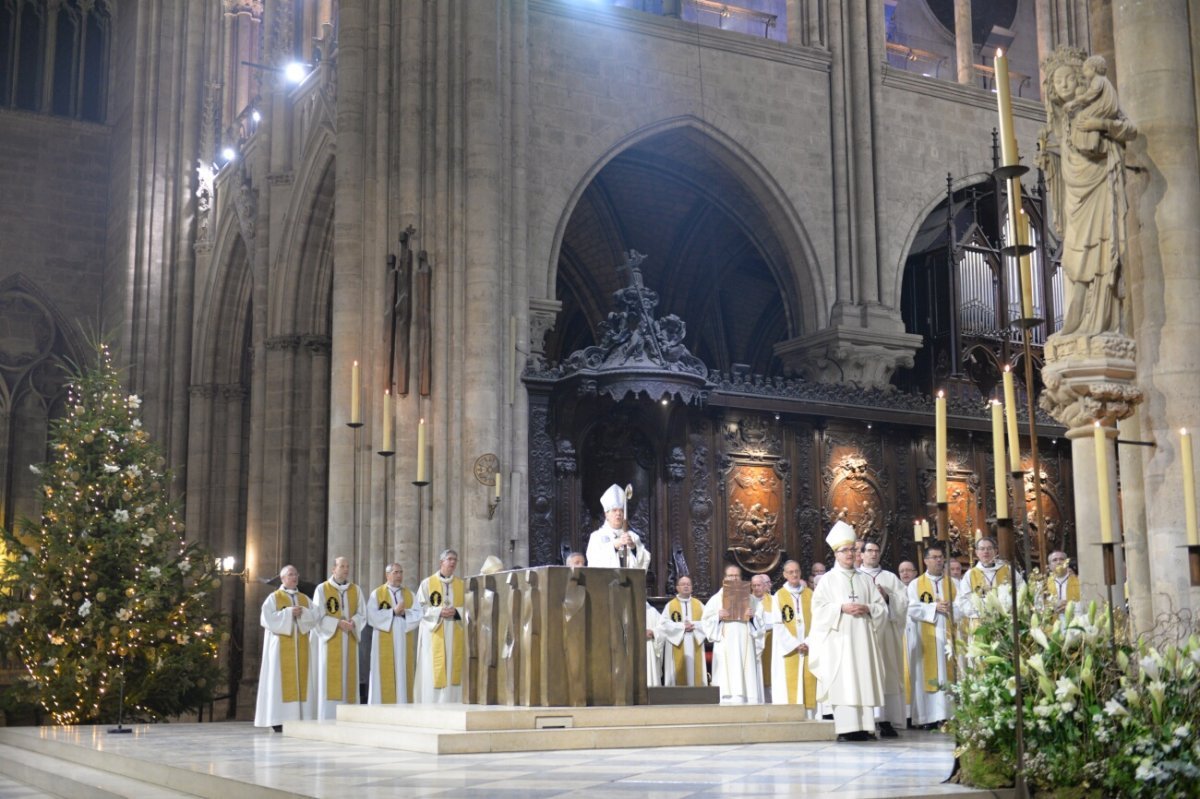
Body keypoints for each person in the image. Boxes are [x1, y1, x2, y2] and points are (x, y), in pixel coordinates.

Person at [1038, 49, 1137, 338]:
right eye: (1058, 82)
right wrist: (1049, 161)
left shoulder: (1098, 105)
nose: (1065, 85)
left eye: (1069, 78)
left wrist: (1099, 125)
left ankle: (1102, 322)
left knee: (1101, 253)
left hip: (1100, 187)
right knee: (1073, 256)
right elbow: (1066, 158)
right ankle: (1077, 320)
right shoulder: (1061, 123)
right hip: (1075, 197)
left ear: (1081, 79)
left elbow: (1129, 130)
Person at [808, 521, 886, 742]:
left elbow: (881, 608)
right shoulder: (827, 580)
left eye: (853, 549)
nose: (851, 554)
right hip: (839, 641)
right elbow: (818, 609)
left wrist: (868, 608)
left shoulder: (865, 579)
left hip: (863, 638)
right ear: (836, 553)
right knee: (845, 681)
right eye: (845, 550)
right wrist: (840, 608)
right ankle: (846, 729)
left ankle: (866, 726)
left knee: (862, 678)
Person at [255, 565, 317, 731]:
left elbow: (316, 616)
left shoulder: (304, 598)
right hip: (280, 649)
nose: (294, 577)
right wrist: (288, 613)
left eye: (296, 574)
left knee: (301, 680)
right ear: (282, 579)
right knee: (279, 681)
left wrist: (303, 612)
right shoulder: (274, 598)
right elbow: (266, 619)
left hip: (301, 646)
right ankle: (279, 720)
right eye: (290, 575)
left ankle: (302, 717)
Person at [859, 539, 907, 738]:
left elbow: (903, 603)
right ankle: (866, 720)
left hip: (886, 633)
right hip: (863, 632)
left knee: (887, 673)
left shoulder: (890, 577)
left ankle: (886, 720)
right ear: (861, 554)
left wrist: (887, 597)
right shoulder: (855, 577)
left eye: (876, 551)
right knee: (865, 673)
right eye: (869, 551)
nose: (873, 554)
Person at [907, 543, 955, 728]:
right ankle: (928, 718)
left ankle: (948, 716)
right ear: (926, 560)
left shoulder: (953, 583)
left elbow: (964, 606)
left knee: (948, 674)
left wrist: (951, 608)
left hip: (949, 636)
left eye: (940, 557)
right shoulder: (915, 584)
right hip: (927, 637)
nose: (938, 560)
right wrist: (934, 607)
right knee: (926, 675)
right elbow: (911, 608)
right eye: (934, 557)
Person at [312, 556, 366, 720]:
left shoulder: (355, 590)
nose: (346, 569)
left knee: (349, 679)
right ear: (333, 569)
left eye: (347, 566)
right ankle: (328, 716)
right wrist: (337, 623)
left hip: (349, 638)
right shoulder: (322, 589)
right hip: (331, 640)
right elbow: (317, 616)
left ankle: (350, 716)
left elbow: (362, 614)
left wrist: (353, 622)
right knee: (330, 680)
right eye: (342, 566)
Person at [701, 564, 764, 704]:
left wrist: (752, 616)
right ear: (725, 578)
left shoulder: (751, 599)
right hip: (725, 642)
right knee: (726, 675)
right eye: (731, 576)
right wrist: (717, 616)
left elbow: (761, 623)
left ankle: (748, 700)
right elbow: (705, 621)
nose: (734, 579)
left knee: (746, 671)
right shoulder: (716, 599)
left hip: (745, 641)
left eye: (737, 576)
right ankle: (727, 699)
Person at [414, 549, 467, 703]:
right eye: (449, 559)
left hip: (454, 635)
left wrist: (457, 612)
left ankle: (454, 702)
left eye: (455, 560)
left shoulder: (461, 585)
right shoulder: (427, 583)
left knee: (452, 669)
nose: (452, 562)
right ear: (441, 562)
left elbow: (469, 609)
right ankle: (432, 703)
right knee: (433, 668)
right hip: (434, 635)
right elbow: (419, 609)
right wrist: (438, 612)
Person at [366, 562, 421, 705]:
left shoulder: (409, 594)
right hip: (383, 640)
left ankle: (403, 705)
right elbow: (371, 616)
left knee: (402, 671)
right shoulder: (377, 593)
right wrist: (392, 612)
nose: (399, 575)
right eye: (395, 572)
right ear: (387, 575)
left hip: (403, 640)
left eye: (401, 572)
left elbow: (418, 614)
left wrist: (404, 613)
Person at [769, 560, 816, 713]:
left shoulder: (810, 594)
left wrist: (808, 642)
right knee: (790, 685)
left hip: (809, 646)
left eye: (797, 571)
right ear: (784, 575)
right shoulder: (779, 596)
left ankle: (811, 716)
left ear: (800, 572)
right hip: (790, 648)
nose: (794, 574)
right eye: (790, 572)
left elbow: (817, 621)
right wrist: (795, 644)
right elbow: (778, 624)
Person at [956, 536, 1024, 623]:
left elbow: (1021, 589)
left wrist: (1009, 606)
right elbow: (962, 599)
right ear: (976, 552)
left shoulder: (1007, 569)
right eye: (982, 549)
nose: (986, 552)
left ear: (995, 551)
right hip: (981, 620)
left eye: (989, 548)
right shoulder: (970, 574)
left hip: (1006, 619)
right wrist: (980, 612)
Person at [586, 484, 651, 569]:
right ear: (606, 514)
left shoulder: (632, 536)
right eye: (614, 510)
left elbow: (645, 560)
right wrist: (614, 546)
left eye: (621, 510)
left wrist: (634, 548)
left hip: (629, 581)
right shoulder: (596, 537)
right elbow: (593, 563)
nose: (618, 514)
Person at [658, 575, 707, 686]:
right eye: (683, 584)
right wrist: (682, 627)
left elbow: (707, 623)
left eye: (688, 584)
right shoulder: (670, 605)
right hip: (677, 643)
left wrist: (694, 625)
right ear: (677, 587)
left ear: (692, 587)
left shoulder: (699, 605)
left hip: (695, 642)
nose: (686, 586)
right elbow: (663, 624)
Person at [750, 574, 774, 700]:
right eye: (753, 585)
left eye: (759, 585)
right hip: (753, 642)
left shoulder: (775, 601)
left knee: (770, 674)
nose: (756, 588)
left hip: (770, 641)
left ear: (765, 586)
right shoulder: (747, 601)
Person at [1046, 550, 1081, 614]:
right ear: (1050, 566)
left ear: (1067, 563)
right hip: (1053, 621)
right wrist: (1052, 607)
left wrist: (1071, 607)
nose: (1058, 562)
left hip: (1074, 620)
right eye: (1054, 560)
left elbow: (1087, 603)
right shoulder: (1044, 584)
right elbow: (1039, 607)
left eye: (1061, 559)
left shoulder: (1079, 581)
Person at [645, 602, 665, 686]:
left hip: (649, 647)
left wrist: (653, 632)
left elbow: (663, 628)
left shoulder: (652, 611)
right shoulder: (624, 609)